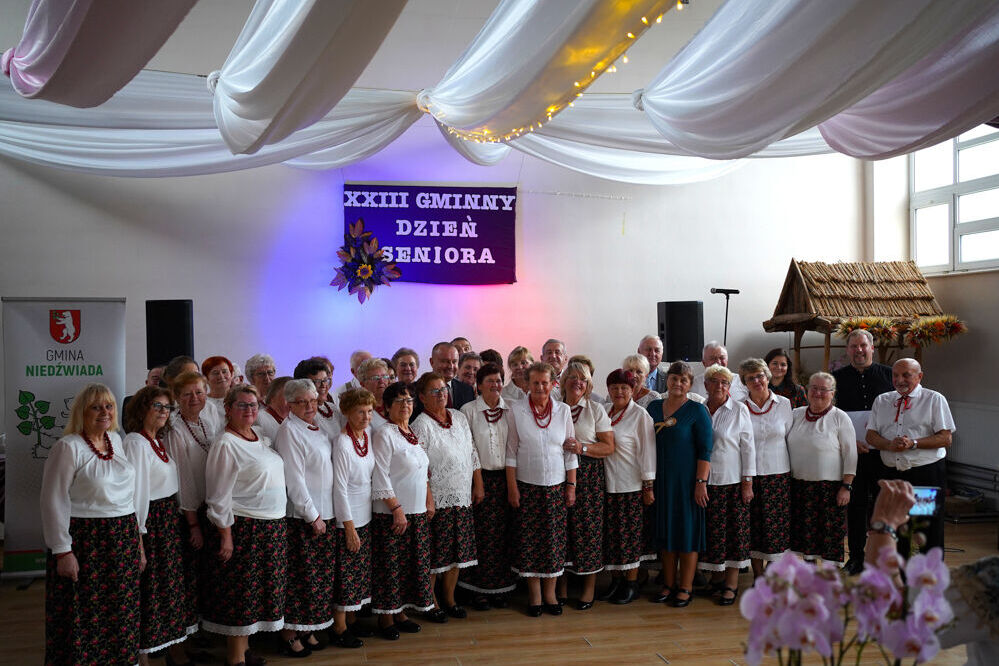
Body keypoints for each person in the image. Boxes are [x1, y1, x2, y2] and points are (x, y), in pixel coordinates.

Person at [41, 383, 142, 666]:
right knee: (84, 612)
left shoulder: (116, 440)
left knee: (120, 610)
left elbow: (128, 497)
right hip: (87, 541)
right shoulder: (68, 447)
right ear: (81, 412)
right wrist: (63, 551)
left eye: (109, 406)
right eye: (96, 407)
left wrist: (138, 544)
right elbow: (53, 500)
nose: (104, 412)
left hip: (122, 538)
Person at [202, 385, 287, 666]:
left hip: (270, 527)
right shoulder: (225, 443)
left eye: (253, 405)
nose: (249, 410)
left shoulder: (258, 435)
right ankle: (236, 658)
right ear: (228, 409)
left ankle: (245, 650)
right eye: (242, 405)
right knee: (242, 594)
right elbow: (217, 496)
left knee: (257, 594)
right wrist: (225, 535)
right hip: (245, 528)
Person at [122, 386, 195, 666]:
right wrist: (138, 539)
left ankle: (174, 651)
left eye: (167, 407)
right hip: (151, 524)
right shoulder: (135, 443)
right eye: (158, 406)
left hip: (167, 522)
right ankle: (143, 657)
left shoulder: (157, 441)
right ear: (142, 408)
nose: (164, 412)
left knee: (169, 590)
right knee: (149, 590)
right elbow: (137, 494)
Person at [506, 361, 578, 617]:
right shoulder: (516, 410)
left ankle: (550, 595)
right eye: (535, 382)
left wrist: (571, 486)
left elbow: (570, 452)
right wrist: (512, 487)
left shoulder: (563, 410)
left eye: (544, 382)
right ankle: (535, 596)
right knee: (530, 543)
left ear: (552, 384)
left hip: (556, 487)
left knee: (554, 543)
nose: (539, 387)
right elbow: (511, 452)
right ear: (527, 384)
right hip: (527, 487)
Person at [273, 379, 337, 657]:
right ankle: (289, 635)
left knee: (316, 580)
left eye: (313, 400)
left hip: (325, 513)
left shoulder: (316, 426)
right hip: (304, 518)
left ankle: (306, 628)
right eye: (302, 402)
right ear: (290, 404)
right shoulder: (289, 431)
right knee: (300, 579)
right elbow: (294, 480)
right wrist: (312, 516)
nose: (310, 406)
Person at [866, 358, 955, 555]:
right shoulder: (882, 400)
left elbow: (946, 438)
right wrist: (888, 445)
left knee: (926, 529)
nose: (900, 380)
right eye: (895, 375)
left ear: (919, 376)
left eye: (906, 375)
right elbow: (871, 436)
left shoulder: (934, 399)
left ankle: (929, 573)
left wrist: (913, 443)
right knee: (894, 528)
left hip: (924, 475)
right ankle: (898, 572)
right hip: (892, 476)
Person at [412, 372, 481, 622]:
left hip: (462, 496)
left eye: (443, 389)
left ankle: (450, 599)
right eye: (434, 391)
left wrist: (478, 483)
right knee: (436, 555)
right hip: (437, 500)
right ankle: (431, 602)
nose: (441, 394)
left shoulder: (459, 417)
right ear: (422, 397)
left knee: (457, 554)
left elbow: (472, 452)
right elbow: (419, 467)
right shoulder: (420, 425)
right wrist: (428, 498)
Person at [370, 381, 435, 640]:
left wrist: (429, 500)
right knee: (390, 568)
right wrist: (396, 509)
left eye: (409, 400)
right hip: (392, 515)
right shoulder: (384, 434)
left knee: (409, 567)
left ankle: (401, 613)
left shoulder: (411, 433)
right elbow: (380, 475)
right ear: (387, 407)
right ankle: (386, 617)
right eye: (399, 401)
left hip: (416, 512)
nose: (405, 405)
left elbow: (423, 471)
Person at [647, 361, 712, 608]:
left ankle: (685, 587)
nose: (678, 383)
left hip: (687, 482)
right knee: (666, 531)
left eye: (683, 380)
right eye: (674, 378)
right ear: (668, 381)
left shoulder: (697, 410)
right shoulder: (654, 407)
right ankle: (668, 584)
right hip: (661, 480)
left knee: (686, 532)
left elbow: (705, 450)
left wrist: (700, 483)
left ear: (690, 384)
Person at [833, 328, 894, 575]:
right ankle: (856, 557)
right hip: (852, 455)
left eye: (863, 345)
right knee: (856, 507)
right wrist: (850, 443)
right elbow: (832, 417)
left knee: (883, 506)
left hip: (884, 454)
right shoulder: (836, 378)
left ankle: (882, 558)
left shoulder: (889, 375)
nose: (859, 350)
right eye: (854, 346)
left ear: (871, 348)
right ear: (847, 350)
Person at [459, 363, 518, 609]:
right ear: (479, 385)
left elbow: (515, 447)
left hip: (507, 479)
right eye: (490, 381)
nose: (495, 385)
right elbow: (469, 448)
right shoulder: (468, 411)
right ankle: (478, 590)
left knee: (504, 535)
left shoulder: (512, 409)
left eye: (498, 380)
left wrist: (513, 485)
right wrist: (478, 483)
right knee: (481, 535)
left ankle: (501, 588)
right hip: (479, 480)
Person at [165, 371, 222, 620]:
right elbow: (183, 479)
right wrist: (193, 524)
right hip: (190, 513)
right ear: (177, 397)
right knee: (191, 572)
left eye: (199, 392)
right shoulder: (174, 430)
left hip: (210, 508)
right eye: (187, 394)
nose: (194, 398)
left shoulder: (207, 420)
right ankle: (191, 627)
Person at [558, 361, 614, 609]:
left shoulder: (595, 409)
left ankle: (588, 589)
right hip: (558, 474)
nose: (577, 382)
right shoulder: (554, 406)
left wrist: (582, 448)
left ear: (588, 384)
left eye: (583, 379)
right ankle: (560, 587)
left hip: (588, 477)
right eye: (572, 377)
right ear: (564, 381)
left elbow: (609, 447)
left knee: (588, 531)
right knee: (561, 530)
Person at [786, 372, 857, 566]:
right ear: (807, 390)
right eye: (814, 388)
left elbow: (851, 455)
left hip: (829, 489)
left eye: (823, 389)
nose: (818, 393)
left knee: (829, 537)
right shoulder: (796, 414)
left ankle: (829, 578)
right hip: (799, 487)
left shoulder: (840, 417)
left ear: (832, 393)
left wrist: (847, 486)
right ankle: (808, 576)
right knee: (805, 538)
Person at [698, 364, 755, 606]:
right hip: (705, 482)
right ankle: (717, 578)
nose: (720, 386)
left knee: (734, 534)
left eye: (725, 382)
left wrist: (747, 482)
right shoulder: (699, 409)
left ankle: (731, 584)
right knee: (714, 534)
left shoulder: (739, 410)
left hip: (732, 482)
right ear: (706, 385)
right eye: (715, 381)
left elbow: (748, 447)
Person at [600, 369, 656, 605]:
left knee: (630, 536)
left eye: (624, 387)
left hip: (631, 485)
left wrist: (648, 486)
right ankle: (616, 581)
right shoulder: (604, 412)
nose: (619, 392)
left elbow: (648, 452)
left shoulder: (640, 415)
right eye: (614, 388)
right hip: (606, 485)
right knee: (612, 537)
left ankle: (631, 583)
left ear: (633, 390)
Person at [331, 388, 378, 648]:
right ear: (347, 412)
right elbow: (339, 488)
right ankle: (339, 628)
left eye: (369, 411)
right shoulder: (342, 443)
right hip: (348, 518)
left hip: (365, 515)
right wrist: (349, 528)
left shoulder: (366, 436)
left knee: (358, 574)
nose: (366, 417)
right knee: (346, 577)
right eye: (360, 412)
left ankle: (352, 619)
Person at [738, 358, 792, 578]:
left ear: (767, 377)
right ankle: (758, 576)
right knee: (753, 528)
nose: (757, 381)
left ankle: (772, 575)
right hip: (748, 476)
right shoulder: (739, 407)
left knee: (776, 529)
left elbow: (789, 436)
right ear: (745, 383)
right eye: (750, 378)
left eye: (760, 375)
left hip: (778, 475)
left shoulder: (784, 404)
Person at [294, 358, 344, 441]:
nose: (323, 385)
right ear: (302, 386)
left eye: (325, 380)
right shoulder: (304, 415)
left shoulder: (333, 408)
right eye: (317, 382)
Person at [427, 341, 475, 410]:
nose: (450, 366)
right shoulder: (417, 389)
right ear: (432, 362)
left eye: (454, 361)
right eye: (445, 361)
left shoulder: (467, 390)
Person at [357, 357, 392, 428]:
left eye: (384, 376)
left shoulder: (394, 402)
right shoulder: (359, 410)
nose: (381, 381)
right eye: (375, 378)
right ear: (362, 384)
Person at [255, 375, 292, 441]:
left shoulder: (294, 418)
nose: (293, 398)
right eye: (288, 394)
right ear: (272, 396)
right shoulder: (259, 418)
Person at [202, 356, 234, 421]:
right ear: (206, 379)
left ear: (232, 374)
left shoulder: (241, 399)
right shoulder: (202, 403)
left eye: (224, 372)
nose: (221, 376)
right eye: (215, 373)